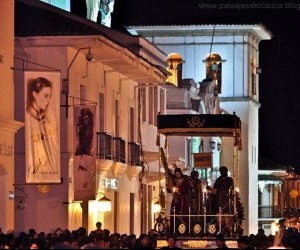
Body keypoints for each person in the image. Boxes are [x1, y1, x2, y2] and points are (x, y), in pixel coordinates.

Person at [26, 77, 59, 182]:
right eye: (45, 96)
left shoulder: (44, 119)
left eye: (50, 96)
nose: (49, 100)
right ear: (35, 95)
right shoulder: (28, 118)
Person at [207, 166, 234, 235]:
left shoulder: (230, 180)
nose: (222, 172)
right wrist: (209, 189)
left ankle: (229, 232)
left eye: (223, 171)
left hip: (227, 202)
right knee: (220, 220)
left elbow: (231, 190)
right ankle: (220, 232)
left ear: (226, 171)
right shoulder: (218, 180)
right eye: (221, 171)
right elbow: (215, 190)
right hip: (219, 202)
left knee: (227, 220)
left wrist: (224, 192)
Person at [170, 167, 191, 234]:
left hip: (183, 199)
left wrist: (179, 190)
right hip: (176, 199)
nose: (177, 175)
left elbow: (187, 188)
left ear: (181, 174)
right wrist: (174, 190)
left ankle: (185, 229)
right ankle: (175, 229)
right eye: (176, 174)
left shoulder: (185, 180)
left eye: (178, 174)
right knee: (175, 213)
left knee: (184, 213)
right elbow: (171, 188)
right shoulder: (173, 180)